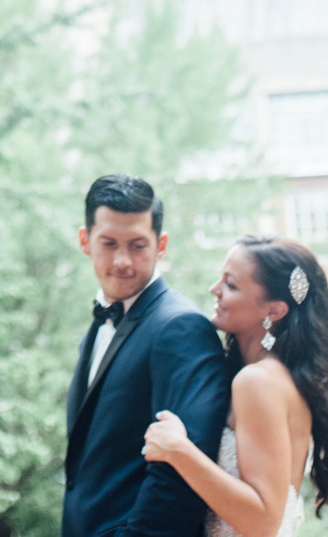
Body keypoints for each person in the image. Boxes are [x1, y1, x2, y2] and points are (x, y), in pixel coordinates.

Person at [140, 237, 328, 537]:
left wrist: (178, 450)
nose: (215, 289)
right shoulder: (276, 378)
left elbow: (263, 522)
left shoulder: (258, 382)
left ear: (274, 311)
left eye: (231, 285)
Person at [63, 174, 232, 537]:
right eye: (108, 243)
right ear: (84, 241)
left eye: (138, 245)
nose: (123, 260)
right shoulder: (97, 326)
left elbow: (183, 476)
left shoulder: (181, 328)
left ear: (161, 245)